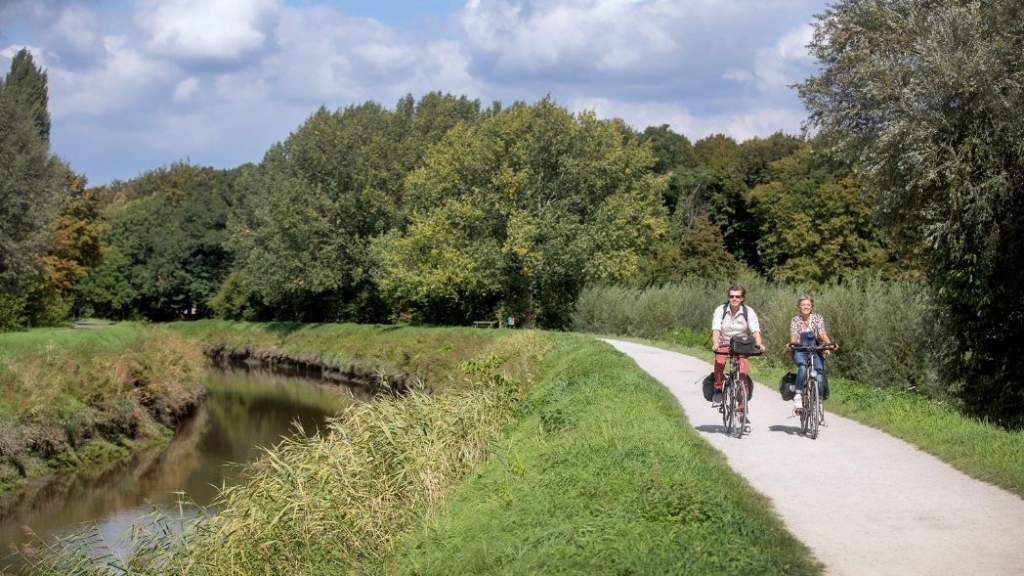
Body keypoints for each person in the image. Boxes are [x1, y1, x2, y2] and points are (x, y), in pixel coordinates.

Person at [710, 285, 765, 427]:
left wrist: (759, 344)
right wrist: (716, 343)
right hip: (724, 342)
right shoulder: (720, 310)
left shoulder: (748, 312)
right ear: (728, 297)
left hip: (741, 344)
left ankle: (742, 413)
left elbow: (755, 329)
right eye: (732, 296)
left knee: (742, 374)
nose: (734, 299)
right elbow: (716, 328)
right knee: (720, 361)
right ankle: (717, 387)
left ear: (742, 298)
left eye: (737, 296)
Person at [786, 294, 836, 411]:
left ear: (812, 307)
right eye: (803, 305)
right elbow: (794, 335)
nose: (805, 307)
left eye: (808, 304)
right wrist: (792, 344)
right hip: (800, 350)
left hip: (815, 350)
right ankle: (798, 395)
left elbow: (822, 333)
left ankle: (818, 401)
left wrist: (828, 344)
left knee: (819, 375)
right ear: (799, 307)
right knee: (802, 368)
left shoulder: (817, 318)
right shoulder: (795, 320)